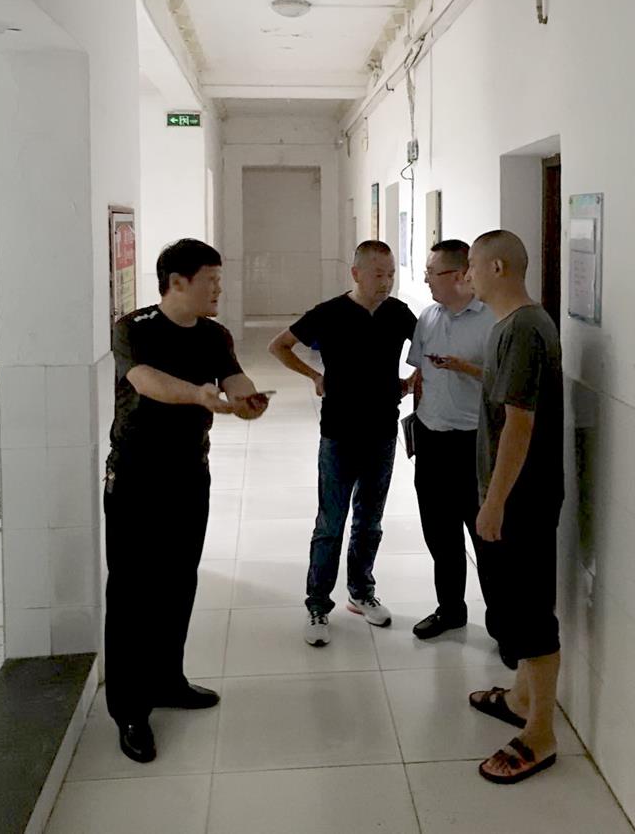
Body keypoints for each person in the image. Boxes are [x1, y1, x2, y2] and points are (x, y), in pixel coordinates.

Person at [104, 238, 270, 764]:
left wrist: (246, 399)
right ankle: (130, 710)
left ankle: (167, 680)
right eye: (211, 281)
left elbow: (233, 376)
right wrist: (198, 395)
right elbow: (145, 381)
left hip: (189, 474)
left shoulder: (214, 334)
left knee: (179, 580)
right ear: (177, 282)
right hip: (136, 476)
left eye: (220, 280)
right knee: (132, 591)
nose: (220, 289)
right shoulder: (134, 328)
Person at [268, 240, 416, 646]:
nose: (386, 281)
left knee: (370, 520)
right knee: (330, 523)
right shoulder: (329, 313)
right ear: (356, 274)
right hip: (339, 432)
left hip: (382, 431)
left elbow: (429, 348)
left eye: (391, 274)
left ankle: (361, 592)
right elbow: (278, 346)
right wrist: (314, 376)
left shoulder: (398, 313)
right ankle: (318, 604)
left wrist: (411, 381)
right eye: (378, 274)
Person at [465, 229, 564, 785]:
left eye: (472, 266)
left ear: (497, 268)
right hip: (513, 495)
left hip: (521, 498)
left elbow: (519, 424)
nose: (467, 276)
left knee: (530, 612)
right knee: (515, 608)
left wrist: (495, 501)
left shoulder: (524, 327)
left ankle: (540, 733)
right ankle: (522, 697)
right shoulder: (513, 326)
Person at [406, 240, 495, 640]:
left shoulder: (492, 320)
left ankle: (501, 625)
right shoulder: (428, 316)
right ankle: (450, 610)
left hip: (473, 443)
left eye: (432, 272)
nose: (426, 279)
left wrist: (466, 368)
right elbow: (420, 375)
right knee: (439, 533)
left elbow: (506, 382)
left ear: (459, 275)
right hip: (431, 440)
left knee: (485, 538)